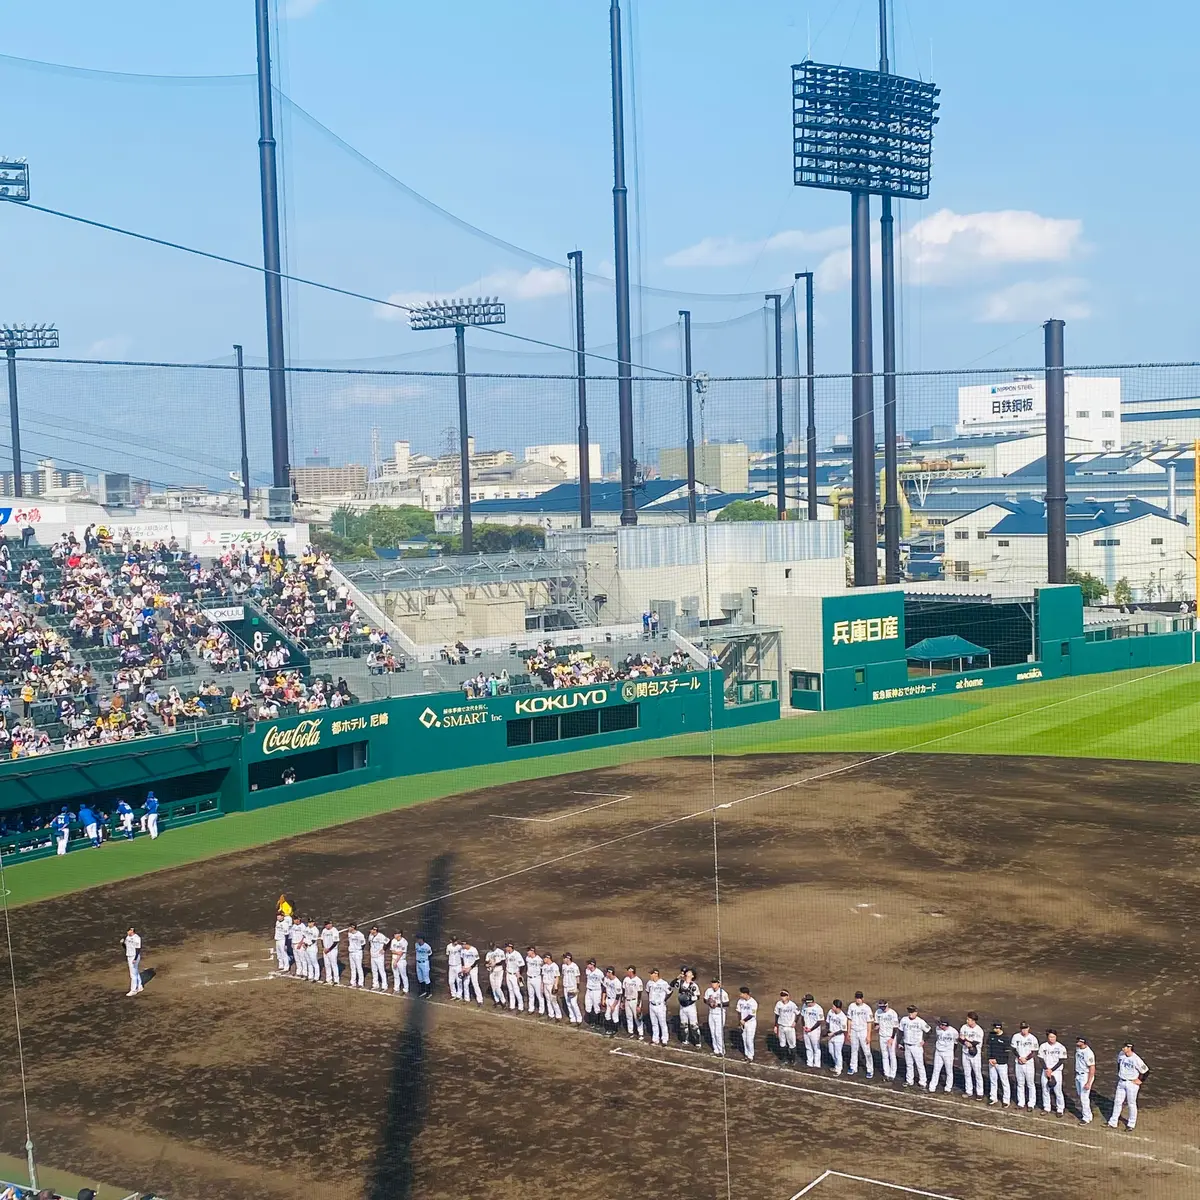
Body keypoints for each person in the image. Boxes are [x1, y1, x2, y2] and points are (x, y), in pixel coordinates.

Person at [1109, 1041, 1150, 1131]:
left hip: (1132, 1084)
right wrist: (1121, 1073)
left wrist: (1140, 1080)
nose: (1123, 1048)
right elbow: (1119, 1064)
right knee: (1117, 1101)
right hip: (1121, 1082)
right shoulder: (1121, 1054)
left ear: (1129, 1048)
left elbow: (1146, 1071)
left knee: (1131, 1103)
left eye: (1125, 1047)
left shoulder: (1136, 1059)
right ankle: (1113, 1122)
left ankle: (1131, 1124)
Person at [899, 1005, 930, 1088]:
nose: (910, 1014)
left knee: (919, 1064)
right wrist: (900, 1043)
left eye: (912, 1012)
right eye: (909, 1012)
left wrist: (924, 1040)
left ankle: (923, 1082)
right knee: (909, 1064)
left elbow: (929, 1031)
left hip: (916, 1046)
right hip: (907, 1045)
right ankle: (909, 1081)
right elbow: (901, 1032)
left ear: (916, 1012)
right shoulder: (904, 1020)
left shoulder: (920, 1021)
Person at [1039, 1029, 1067, 1116]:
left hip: (1056, 1071)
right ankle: (1046, 1107)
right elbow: (1041, 1059)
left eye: (1054, 1037)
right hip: (1045, 1071)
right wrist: (1047, 1069)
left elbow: (1061, 1060)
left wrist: (1052, 1070)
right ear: (1047, 1037)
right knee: (1045, 1089)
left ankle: (1060, 1109)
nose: (1052, 1039)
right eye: (1050, 1037)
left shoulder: (1061, 1047)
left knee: (1057, 1090)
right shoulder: (1043, 1046)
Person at [1011, 1020, 1039, 1109]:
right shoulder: (1016, 1037)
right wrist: (1019, 1057)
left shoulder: (1033, 1038)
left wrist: (1025, 1058)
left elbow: (1034, 1052)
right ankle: (1021, 1102)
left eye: (1025, 1028)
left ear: (1028, 1028)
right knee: (1020, 1083)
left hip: (1029, 1064)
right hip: (1018, 1063)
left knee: (1030, 1084)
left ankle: (1031, 1103)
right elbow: (1014, 1049)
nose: (1024, 1030)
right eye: (1022, 1028)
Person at [847, 991, 874, 1078]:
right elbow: (849, 1020)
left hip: (863, 1031)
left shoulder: (867, 1008)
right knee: (854, 1050)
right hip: (854, 1031)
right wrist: (848, 1032)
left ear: (862, 999)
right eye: (857, 998)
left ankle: (870, 1070)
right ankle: (853, 1067)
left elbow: (869, 1022)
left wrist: (869, 1035)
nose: (858, 1000)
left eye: (859, 998)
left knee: (867, 1052)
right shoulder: (851, 1006)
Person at [960, 1011, 985, 1099]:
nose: (967, 1021)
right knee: (967, 1073)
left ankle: (980, 1092)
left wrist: (967, 1041)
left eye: (969, 1020)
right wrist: (965, 1041)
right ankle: (969, 1091)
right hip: (965, 1053)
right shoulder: (964, 1027)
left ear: (974, 1021)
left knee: (977, 1073)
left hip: (975, 1055)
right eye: (967, 1019)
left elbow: (976, 1042)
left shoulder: (979, 1030)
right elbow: (961, 1038)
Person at [929, 1019, 958, 1093]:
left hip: (948, 1053)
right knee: (936, 1070)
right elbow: (937, 1038)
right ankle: (932, 1086)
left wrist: (952, 1052)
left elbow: (956, 1043)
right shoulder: (937, 1029)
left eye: (941, 1025)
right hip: (938, 1052)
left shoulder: (954, 1032)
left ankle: (948, 1087)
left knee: (949, 1071)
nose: (939, 1026)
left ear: (945, 1025)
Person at [987, 1021, 1011, 1106]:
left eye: (995, 1027)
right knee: (993, 1080)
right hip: (992, 1062)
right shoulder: (991, 1035)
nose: (993, 1029)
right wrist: (989, 1058)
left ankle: (1006, 1100)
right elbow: (988, 1048)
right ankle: (993, 1097)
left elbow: (1006, 1053)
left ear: (998, 1028)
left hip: (1002, 1063)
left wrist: (997, 1060)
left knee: (1004, 1081)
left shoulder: (1005, 1038)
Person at [675, 968, 701, 1047]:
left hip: (690, 1007)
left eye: (690, 973)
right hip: (682, 1007)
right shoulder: (681, 983)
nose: (687, 974)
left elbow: (698, 996)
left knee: (693, 1025)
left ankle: (697, 1042)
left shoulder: (694, 986)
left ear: (692, 976)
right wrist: (678, 977)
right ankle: (685, 1040)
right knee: (683, 1024)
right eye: (687, 973)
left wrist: (689, 999)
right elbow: (672, 985)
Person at [875, 998, 900, 1081]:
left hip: (890, 1037)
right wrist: (876, 1026)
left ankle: (892, 1074)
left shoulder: (893, 1013)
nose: (882, 1009)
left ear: (887, 1005)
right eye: (881, 1007)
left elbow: (895, 1027)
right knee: (884, 1055)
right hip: (882, 1036)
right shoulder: (878, 1012)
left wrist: (892, 1038)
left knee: (892, 1055)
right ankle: (886, 1073)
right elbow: (876, 1023)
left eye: (883, 1007)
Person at [704, 978, 729, 1056]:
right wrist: (709, 1002)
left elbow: (726, 1003)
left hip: (720, 1014)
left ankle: (722, 1050)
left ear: (719, 983)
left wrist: (716, 1004)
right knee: (712, 1032)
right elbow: (704, 1000)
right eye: (712, 982)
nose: (713, 984)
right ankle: (716, 1050)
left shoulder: (723, 993)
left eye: (715, 983)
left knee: (718, 1033)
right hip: (711, 1014)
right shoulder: (709, 991)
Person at [645, 968, 671, 1045]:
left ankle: (664, 1039)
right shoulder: (649, 983)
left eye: (651, 974)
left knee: (662, 1023)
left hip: (660, 1006)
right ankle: (655, 1039)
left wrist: (664, 999)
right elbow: (647, 991)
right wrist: (651, 998)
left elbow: (669, 992)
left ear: (656, 974)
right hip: (652, 1005)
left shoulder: (664, 983)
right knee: (654, 1023)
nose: (650, 975)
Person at [774, 990, 800, 1065]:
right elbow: (776, 1015)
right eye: (782, 996)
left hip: (789, 1027)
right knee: (782, 1044)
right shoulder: (778, 1004)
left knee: (792, 1044)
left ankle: (793, 1060)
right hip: (781, 1026)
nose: (783, 997)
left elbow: (798, 1014)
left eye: (784, 995)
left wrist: (795, 1022)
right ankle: (784, 1059)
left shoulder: (792, 1005)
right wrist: (776, 1026)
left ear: (788, 996)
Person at [1075, 1036, 1096, 1124]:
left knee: (1084, 1097)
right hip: (1078, 1075)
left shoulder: (1088, 1053)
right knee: (1081, 1096)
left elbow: (1092, 1067)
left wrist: (1088, 1082)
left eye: (1079, 1042)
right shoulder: (1078, 1049)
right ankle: (1089, 1115)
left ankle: (1086, 1118)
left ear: (1084, 1043)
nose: (1077, 1043)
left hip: (1085, 1076)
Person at [737, 986, 759, 1062]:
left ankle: (751, 1056)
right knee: (744, 1039)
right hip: (743, 1023)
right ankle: (746, 1055)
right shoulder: (740, 1001)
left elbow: (752, 1014)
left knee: (749, 1040)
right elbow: (739, 1012)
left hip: (751, 1023)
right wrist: (739, 1022)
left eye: (741, 993)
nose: (740, 995)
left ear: (745, 994)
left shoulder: (753, 1002)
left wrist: (744, 1020)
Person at [622, 966, 644, 1039]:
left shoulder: (638, 980)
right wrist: (623, 1001)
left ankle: (640, 1033)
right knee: (629, 1017)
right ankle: (630, 1032)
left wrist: (638, 1005)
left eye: (628, 971)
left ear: (631, 971)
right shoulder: (626, 979)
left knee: (637, 1017)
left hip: (635, 1001)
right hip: (627, 1000)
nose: (627, 972)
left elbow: (640, 993)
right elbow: (624, 991)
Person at [826, 999, 848, 1075]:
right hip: (831, 1036)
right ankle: (836, 1065)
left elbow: (843, 1029)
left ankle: (839, 1068)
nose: (832, 1007)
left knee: (837, 1053)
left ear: (837, 1007)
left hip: (838, 1037)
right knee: (831, 1052)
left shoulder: (843, 1017)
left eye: (833, 1006)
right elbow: (827, 1022)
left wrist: (833, 1034)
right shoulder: (830, 1012)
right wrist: (828, 1031)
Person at [561, 952, 582, 1025]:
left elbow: (577, 977)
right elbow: (564, 975)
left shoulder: (574, 966)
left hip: (572, 987)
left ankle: (579, 1019)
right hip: (566, 987)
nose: (563, 959)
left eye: (564, 958)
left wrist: (577, 988)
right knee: (568, 1003)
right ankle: (572, 1018)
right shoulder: (563, 966)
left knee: (573, 1003)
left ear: (568, 958)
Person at [122, 925, 143, 996]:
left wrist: (135, 958)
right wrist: (122, 944)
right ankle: (139, 986)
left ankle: (133, 990)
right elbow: (126, 947)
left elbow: (138, 949)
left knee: (133, 974)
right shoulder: (128, 937)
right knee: (135, 971)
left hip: (134, 956)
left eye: (128, 930)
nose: (127, 932)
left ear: (132, 931)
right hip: (129, 955)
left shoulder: (137, 938)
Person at [540, 952, 562, 1020]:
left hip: (551, 985)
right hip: (546, 984)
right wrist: (542, 985)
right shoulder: (544, 966)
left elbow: (557, 977)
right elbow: (543, 976)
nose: (543, 959)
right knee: (548, 1000)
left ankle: (558, 1015)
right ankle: (551, 1014)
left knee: (553, 1000)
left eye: (544, 958)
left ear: (548, 958)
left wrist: (555, 986)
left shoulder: (554, 966)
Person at [460, 940, 483, 1005]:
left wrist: (470, 968)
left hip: (473, 969)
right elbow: (462, 958)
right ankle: (467, 999)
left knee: (475, 983)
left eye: (463, 944)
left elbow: (477, 960)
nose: (462, 946)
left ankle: (480, 1000)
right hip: (466, 968)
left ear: (466, 944)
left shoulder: (473, 950)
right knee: (465, 983)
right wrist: (463, 967)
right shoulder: (462, 950)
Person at [504, 943, 525, 1011]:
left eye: (507, 947)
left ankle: (520, 1007)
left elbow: (522, 964)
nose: (506, 948)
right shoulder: (507, 954)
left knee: (516, 991)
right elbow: (506, 963)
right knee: (510, 990)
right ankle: (512, 1006)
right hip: (508, 974)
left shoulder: (517, 954)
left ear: (510, 947)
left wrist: (519, 973)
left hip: (514, 975)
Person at [602, 967, 622, 1036]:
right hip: (608, 999)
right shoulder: (606, 979)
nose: (606, 974)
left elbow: (618, 995)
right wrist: (603, 999)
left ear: (611, 973)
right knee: (607, 1015)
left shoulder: (617, 982)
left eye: (608, 972)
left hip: (614, 1000)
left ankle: (615, 1030)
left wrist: (614, 1005)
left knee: (614, 1016)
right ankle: (608, 1029)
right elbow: (604, 989)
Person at [584, 958, 604, 1027]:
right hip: (589, 990)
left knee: (596, 1007)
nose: (587, 965)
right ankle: (591, 1022)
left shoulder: (599, 973)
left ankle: (597, 1023)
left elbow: (603, 983)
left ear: (592, 965)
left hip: (596, 991)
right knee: (588, 1005)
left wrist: (602, 995)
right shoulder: (587, 971)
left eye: (588, 964)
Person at [526, 946, 546, 1015]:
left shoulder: (539, 960)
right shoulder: (527, 958)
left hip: (537, 978)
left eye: (528, 951)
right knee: (530, 994)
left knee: (539, 995)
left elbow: (543, 968)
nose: (527, 952)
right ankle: (531, 1009)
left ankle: (541, 1010)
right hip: (529, 978)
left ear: (532, 951)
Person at [320, 920, 340, 985]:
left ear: (331, 924)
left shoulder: (335, 931)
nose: (327, 926)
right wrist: (323, 948)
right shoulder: (324, 930)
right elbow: (322, 939)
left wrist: (329, 949)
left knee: (333, 964)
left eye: (328, 924)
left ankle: (336, 980)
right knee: (327, 965)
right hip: (325, 950)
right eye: (326, 924)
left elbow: (336, 942)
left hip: (332, 950)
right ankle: (328, 979)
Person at [346, 923, 366, 989]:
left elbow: (363, 944)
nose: (348, 928)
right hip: (351, 952)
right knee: (352, 968)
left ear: (353, 927)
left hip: (357, 953)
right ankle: (353, 982)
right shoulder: (349, 934)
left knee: (359, 967)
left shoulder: (360, 935)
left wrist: (358, 950)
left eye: (349, 927)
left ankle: (361, 983)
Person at [368, 926, 389, 991]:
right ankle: (375, 984)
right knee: (374, 971)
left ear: (375, 930)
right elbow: (370, 942)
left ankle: (384, 986)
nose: (370, 931)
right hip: (373, 956)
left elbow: (388, 941)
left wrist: (384, 949)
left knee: (381, 971)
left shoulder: (381, 936)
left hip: (379, 956)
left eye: (372, 930)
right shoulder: (370, 936)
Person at [390, 930, 409, 995]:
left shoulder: (404, 942)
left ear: (400, 934)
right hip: (394, 959)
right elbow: (392, 950)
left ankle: (406, 989)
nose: (394, 935)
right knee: (395, 975)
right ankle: (396, 988)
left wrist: (396, 961)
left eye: (396, 934)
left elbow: (401, 953)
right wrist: (396, 952)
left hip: (401, 961)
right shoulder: (393, 940)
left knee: (403, 975)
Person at [446, 936, 463, 1001]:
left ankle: (459, 995)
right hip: (451, 966)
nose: (456, 942)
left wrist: (462, 965)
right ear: (451, 941)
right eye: (454, 941)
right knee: (451, 981)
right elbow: (447, 954)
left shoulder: (459, 947)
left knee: (459, 981)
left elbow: (462, 955)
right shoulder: (448, 946)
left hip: (458, 965)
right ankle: (453, 994)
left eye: (456, 940)